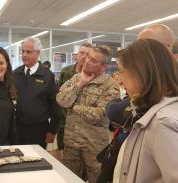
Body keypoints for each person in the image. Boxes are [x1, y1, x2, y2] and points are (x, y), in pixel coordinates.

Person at [97, 24, 175, 183]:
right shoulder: (155, 108)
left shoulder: (163, 124)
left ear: (142, 73)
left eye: (123, 72)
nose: (121, 80)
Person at [56, 45, 119, 183]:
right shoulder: (76, 78)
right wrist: (79, 85)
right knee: (69, 179)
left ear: (104, 66)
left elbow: (100, 114)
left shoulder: (110, 86)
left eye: (93, 60)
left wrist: (74, 106)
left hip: (94, 146)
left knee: (97, 180)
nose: (87, 61)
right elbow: (61, 100)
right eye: (88, 57)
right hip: (71, 143)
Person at [13, 37, 61, 149]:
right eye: (22, 51)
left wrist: (52, 130)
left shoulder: (48, 76)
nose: (24, 55)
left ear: (38, 53)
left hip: (38, 130)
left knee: (35, 162)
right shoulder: (15, 73)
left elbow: (56, 105)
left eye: (28, 52)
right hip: (16, 128)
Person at [57, 42, 92, 150]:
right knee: (64, 154)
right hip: (64, 121)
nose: (84, 56)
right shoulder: (66, 72)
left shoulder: (92, 74)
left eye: (88, 54)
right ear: (77, 55)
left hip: (85, 125)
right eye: (81, 53)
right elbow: (59, 95)